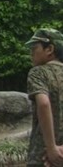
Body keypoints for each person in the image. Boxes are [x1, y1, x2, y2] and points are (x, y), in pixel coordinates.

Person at [26, 28, 63, 167]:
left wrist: (51, 147)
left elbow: (43, 104)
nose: (31, 53)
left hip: (43, 156)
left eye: (34, 48)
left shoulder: (38, 72)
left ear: (49, 49)